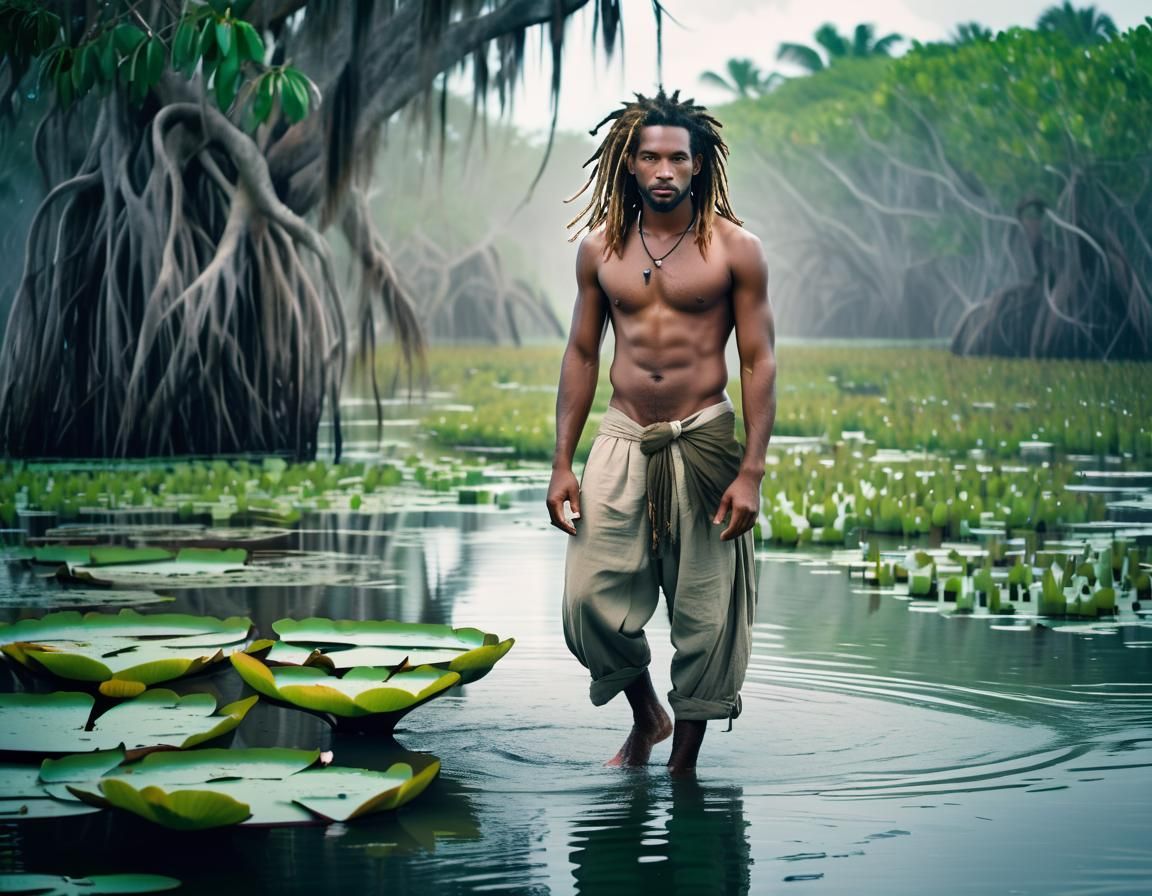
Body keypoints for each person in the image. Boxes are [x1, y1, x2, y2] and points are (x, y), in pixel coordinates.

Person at [547, 89, 776, 774]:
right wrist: (562, 461)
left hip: (703, 438)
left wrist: (751, 471)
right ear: (630, 164)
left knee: (706, 616)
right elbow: (583, 354)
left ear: (700, 165)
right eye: (651, 157)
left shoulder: (737, 251)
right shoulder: (599, 251)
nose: (665, 170)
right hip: (621, 436)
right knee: (589, 602)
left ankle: (683, 764)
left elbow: (759, 360)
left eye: (679, 157)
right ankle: (647, 714)